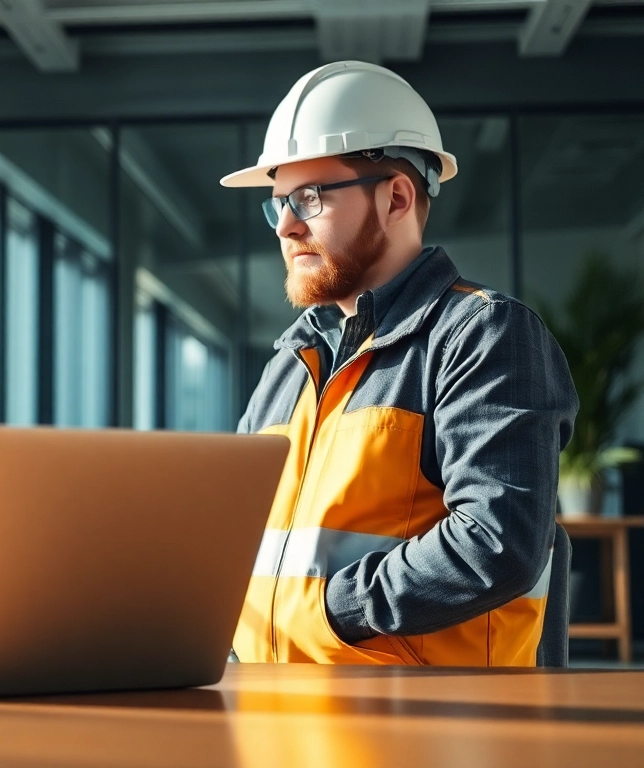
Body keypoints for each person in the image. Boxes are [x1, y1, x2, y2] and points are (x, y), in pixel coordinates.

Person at [220, 61, 577, 665]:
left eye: (308, 198)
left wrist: (333, 611)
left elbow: (498, 541)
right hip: (268, 716)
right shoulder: (289, 363)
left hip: (423, 725)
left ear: (398, 197)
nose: (284, 225)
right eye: (278, 202)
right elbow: (236, 538)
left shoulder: (482, 334)